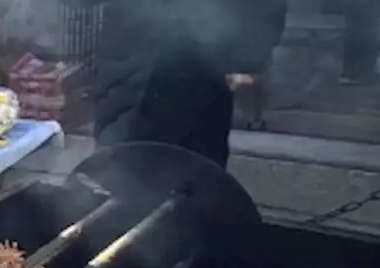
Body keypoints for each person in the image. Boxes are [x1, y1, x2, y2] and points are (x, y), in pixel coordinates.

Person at [79, 0, 286, 169]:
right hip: (126, 75)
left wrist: (248, 58)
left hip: (201, 75)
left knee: (193, 182)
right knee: (114, 175)